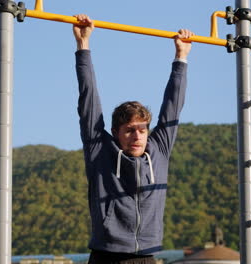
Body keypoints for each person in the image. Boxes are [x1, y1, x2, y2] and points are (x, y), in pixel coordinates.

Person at [73, 14, 194, 264]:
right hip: (106, 255)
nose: (137, 136)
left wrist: (181, 58)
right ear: (117, 133)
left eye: (142, 129)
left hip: (146, 256)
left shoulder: (159, 149)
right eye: (129, 130)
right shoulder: (100, 151)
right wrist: (83, 46)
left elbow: (173, 107)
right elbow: (88, 101)